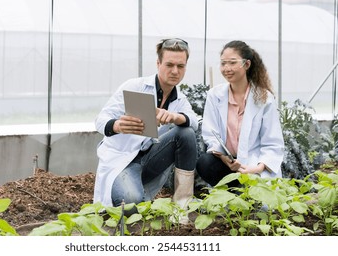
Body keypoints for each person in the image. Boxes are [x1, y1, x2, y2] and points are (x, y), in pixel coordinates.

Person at [93, 38, 198, 222]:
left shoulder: (179, 100)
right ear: (158, 63)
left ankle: (181, 209)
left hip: (151, 159)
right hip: (122, 162)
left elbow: (194, 122)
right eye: (170, 64)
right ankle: (129, 190)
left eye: (180, 66)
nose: (175, 71)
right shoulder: (134, 87)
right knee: (132, 203)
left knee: (186, 133)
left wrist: (175, 117)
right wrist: (117, 125)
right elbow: (100, 121)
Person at [196, 40, 284, 188]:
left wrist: (257, 168)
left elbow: (273, 143)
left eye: (232, 63)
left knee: (260, 200)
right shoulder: (215, 95)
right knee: (205, 162)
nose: (226, 68)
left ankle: (240, 195)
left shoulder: (264, 98)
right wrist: (224, 158)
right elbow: (210, 134)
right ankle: (234, 195)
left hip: (253, 165)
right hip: (226, 164)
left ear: (247, 64)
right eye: (223, 63)